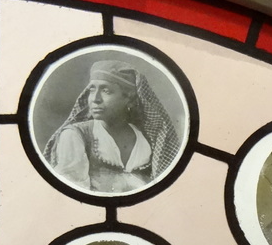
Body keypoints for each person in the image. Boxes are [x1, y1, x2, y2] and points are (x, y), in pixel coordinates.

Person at [42, 59, 181, 194]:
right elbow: (73, 193)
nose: (95, 99)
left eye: (106, 91)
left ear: (129, 99)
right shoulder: (76, 135)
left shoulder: (148, 139)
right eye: (92, 90)